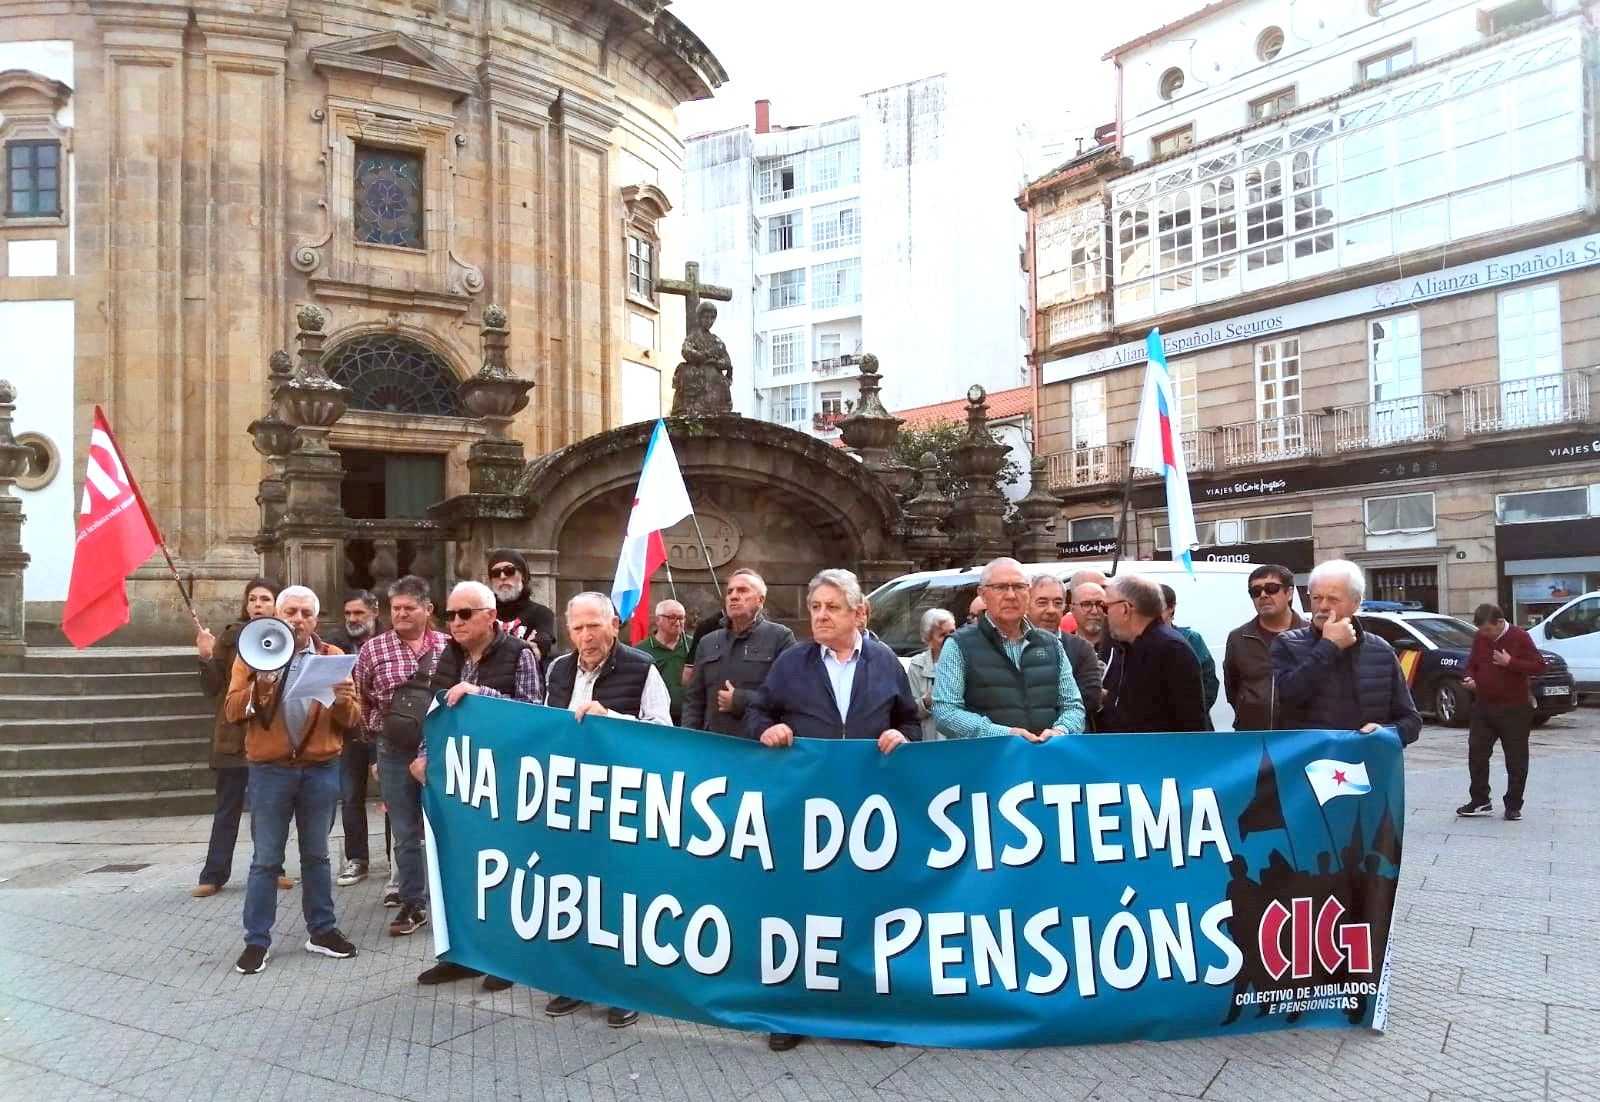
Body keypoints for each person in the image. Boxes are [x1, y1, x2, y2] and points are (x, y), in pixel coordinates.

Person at [746, 569, 918, 1052]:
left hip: (867, 806)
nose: (820, 616)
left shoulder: (886, 662)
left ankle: (864, 1010)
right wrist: (767, 731)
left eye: (831, 607)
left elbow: (908, 719)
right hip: (806, 803)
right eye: (816, 606)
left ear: (858, 613)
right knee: (800, 906)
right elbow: (759, 710)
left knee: (864, 908)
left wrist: (901, 736)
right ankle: (789, 1011)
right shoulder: (791, 662)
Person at [543, 592, 670, 1028]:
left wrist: (612, 718)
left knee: (621, 894)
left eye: (594, 625)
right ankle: (575, 981)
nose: (586, 636)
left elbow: (663, 734)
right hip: (572, 798)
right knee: (574, 889)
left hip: (624, 797)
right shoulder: (558, 669)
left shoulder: (642, 668)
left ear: (614, 624)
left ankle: (625, 987)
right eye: (577, 628)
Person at [409, 580, 542, 991]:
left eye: (464, 614)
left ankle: (506, 956)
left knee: (502, 867)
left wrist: (478, 692)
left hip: (504, 777)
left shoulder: (519, 655)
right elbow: (434, 710)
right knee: (459, 864)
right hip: (456, 776)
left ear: (490, 615)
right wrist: (424, 751)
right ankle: (461, 953)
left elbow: (535, 712)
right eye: (450, 615)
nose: (455, 622)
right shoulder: (447, 654)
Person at [223, 585, 361, 975]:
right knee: (266, 859)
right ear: (277, 617)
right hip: (270, 770)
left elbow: (352, 720)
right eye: (291, 612)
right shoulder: (253, 655)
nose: (298, 620)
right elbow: (233, 710)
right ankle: (256, 941)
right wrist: (261, 684)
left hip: (320, 768)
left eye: (305, 613)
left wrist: (346, 699)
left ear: (316, 619)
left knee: (317, 855)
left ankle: (322, 930)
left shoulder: (333, 657)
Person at [354, 576, 449, 937]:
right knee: (406, 831)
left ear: (428, 609)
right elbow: (361, 700)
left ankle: (449, 898)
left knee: (444, 825)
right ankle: (414, 902)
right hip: (392, 750)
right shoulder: (373, 649)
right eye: (396, 609)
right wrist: (375, 748)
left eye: (410, 607)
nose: (403, 614)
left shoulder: (447, 646)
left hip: (440, 748)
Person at [193, 577, 295, 898]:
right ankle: (213, 874)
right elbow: (212, 688)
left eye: (265, 599)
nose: (258, 605)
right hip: (233, 735)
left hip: (268, 733)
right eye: (253, 599)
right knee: (227, 808)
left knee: (267, 808)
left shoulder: (286, 636)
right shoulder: (230, 637)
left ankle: (271, 868)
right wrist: (207, 656)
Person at [931, 557, 1085, 741]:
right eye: (1001, 587)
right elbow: (945, 712)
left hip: (1045, 760)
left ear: (1028, 593)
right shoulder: (959, 645)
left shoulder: (1050, 644)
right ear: (982, 594)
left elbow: (1073, 705)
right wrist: (1005, 735)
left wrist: (1061, 731)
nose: (1011, 595)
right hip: (988, 763)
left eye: (1019, 587)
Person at [1271, 560, 1421, 745]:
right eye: (1316, 598)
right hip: (1310, 761)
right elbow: (1286, 698)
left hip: (1365, 760)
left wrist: (1387, 733)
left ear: (1356, 603)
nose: (1323, 606)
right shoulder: (1287, 644)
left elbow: (1411, 720)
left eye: (1333, 599)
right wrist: (1328, 647)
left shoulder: (1380, 649)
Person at [1457, 603, 1545, 821]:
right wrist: (1470, 677)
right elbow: (1472, 663)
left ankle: (1513, 804)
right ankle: (1480, 800)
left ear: (1499, 623)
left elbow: (1539, 666)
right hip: (1484, 705)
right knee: (1476, 752)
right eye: (1481, 630)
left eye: (1488, 630)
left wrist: (1511, 662)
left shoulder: (1519, 637)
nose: (1485, 635)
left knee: (1515, 758)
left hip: (1514, 708)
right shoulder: (1480, 638)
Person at [683, 568, 796, 736]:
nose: (733, 596)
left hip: (757, 744)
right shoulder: (708, 642)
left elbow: (791, 696)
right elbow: (694, 701)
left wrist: (741, 700)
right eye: (730, 592)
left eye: (742, 590)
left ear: (761, 600)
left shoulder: (780, 637)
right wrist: (689, 738)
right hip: (712, 745)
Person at [1099, 574, 1209, 733]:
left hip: (1160, 754)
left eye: (1105, 607)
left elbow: (1189, 721)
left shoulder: (1171, 649)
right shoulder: (1126, 647)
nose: (1104, 614)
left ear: (1125, 609)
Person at [325, 589, 381, 888]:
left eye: (358, 613)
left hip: (381, 729)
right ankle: (357, 858)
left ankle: (396, 860)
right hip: (350, 731)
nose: (352, 619)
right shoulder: (335, 643)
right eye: (348, 614)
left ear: (374, 612)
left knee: (392, 799)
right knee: (350, 798)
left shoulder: (388, 640)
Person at [1222, 565, 1305, 732]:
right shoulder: (1238, 638)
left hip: (1300, 737)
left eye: (1272, 588)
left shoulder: (1310, 635)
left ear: (1289, 593)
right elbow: (1233, 686)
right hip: (1253, 736)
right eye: (1256, 591)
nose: (1263, 595)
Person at [1030, 574, 1104, 723]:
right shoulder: (1010, 645)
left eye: (1057, 603)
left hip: (1070, 737)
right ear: (1027, 604)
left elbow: (1090, 699)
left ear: (1065, 607)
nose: (1051, 610)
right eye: (1042, 602)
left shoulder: (1081, 649)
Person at [486, 548, 557, 666]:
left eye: (509, 571)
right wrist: (523, 646)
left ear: (523, 576)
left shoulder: (542, 613)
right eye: (495, 573)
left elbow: (540, 645)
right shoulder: (484, 614)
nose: (502, 577)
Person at [1160, 584, 1219, 723]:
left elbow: (1209, 682)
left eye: (1158, 607)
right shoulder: (1137, 640)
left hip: (1189, 724)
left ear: (1171, 608)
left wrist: (1191, 713)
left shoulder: (1190, 639)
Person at [636, 599, 692, 724]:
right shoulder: (641, 651)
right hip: (656, 720)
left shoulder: (694, 646)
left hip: (690, 718)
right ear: (657, 620)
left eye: (681, 618)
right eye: (672, 617)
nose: (677, 623)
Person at [906, 608, 956, 742]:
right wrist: (926, 702)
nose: (949, 638)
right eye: (942, 635)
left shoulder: (964, 660)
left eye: (952, 632)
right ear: (929, 639)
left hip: (959, 741)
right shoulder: (918, 665)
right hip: (929, 740)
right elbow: (909, 712)